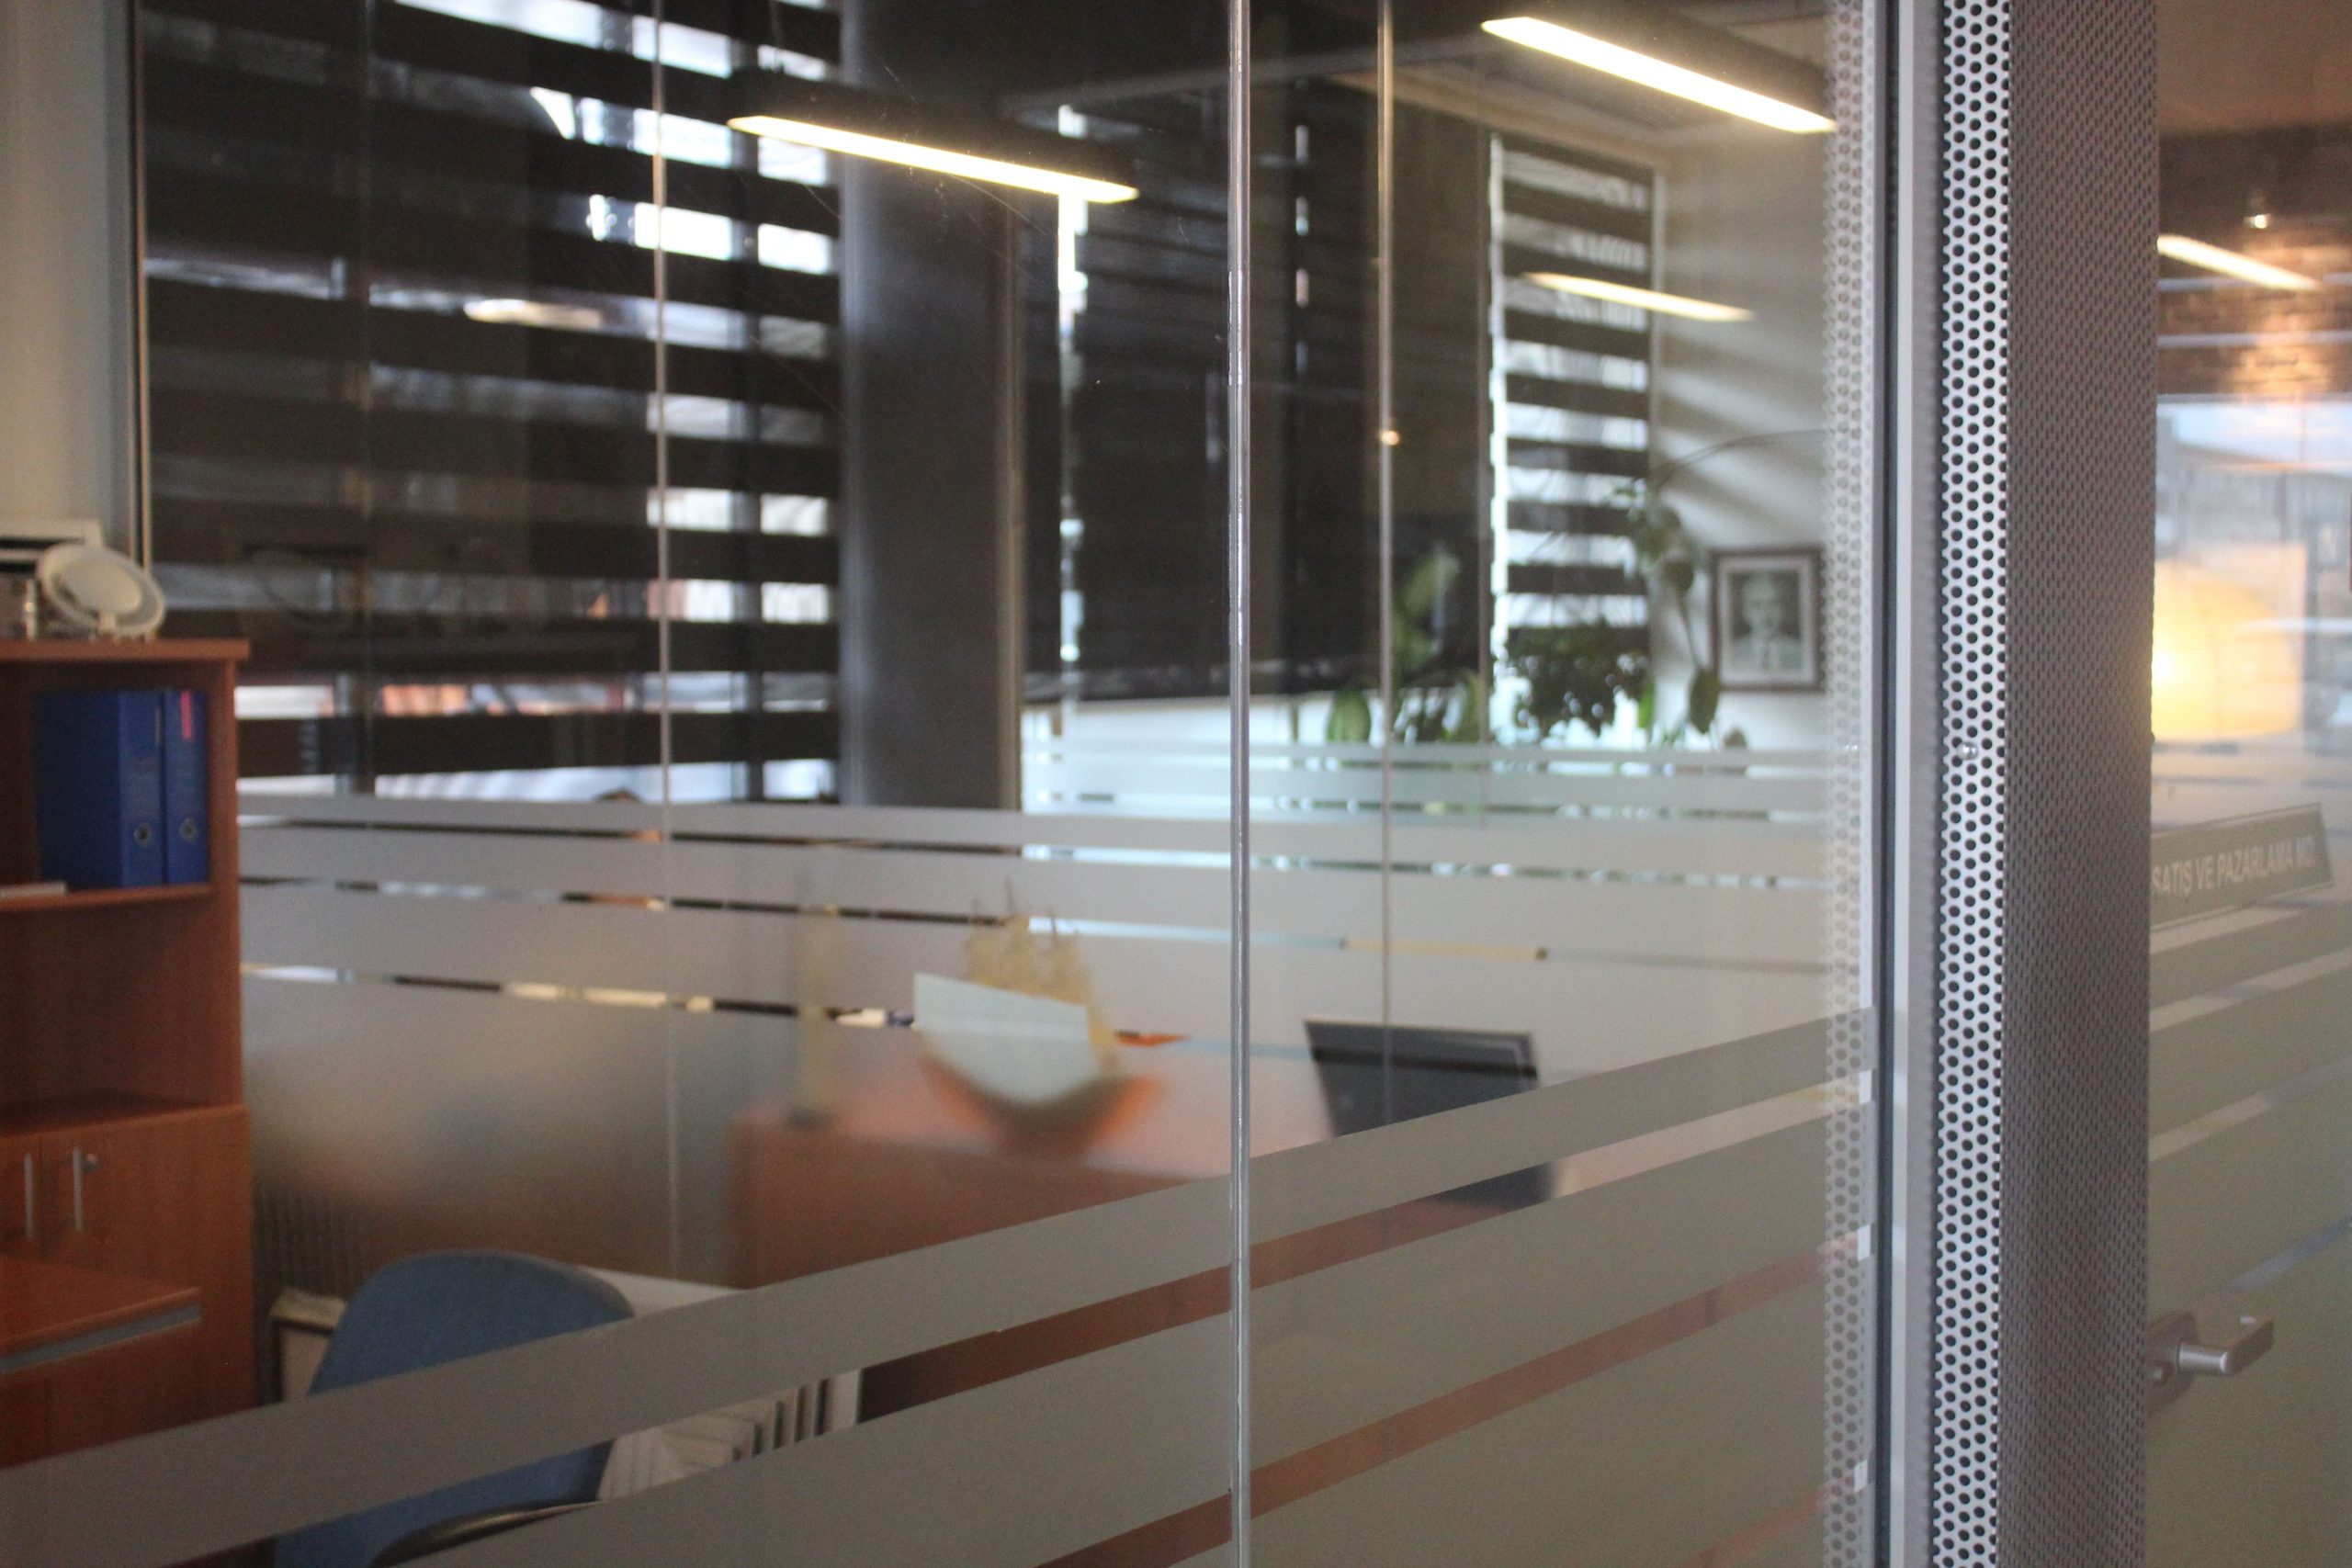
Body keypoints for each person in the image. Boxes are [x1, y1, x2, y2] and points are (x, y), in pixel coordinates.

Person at [1730, 569, 1807, 677]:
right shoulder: (1731, 654)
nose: (1765, 614)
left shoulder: (1800, 653)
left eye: (1773, 604)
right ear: (1745, 611)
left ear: (1783, 609)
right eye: (1757, 605)